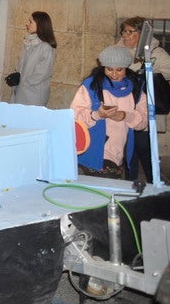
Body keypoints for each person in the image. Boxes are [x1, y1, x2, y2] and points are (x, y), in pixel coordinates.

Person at [71, 45, 147, 178]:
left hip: (120, 150)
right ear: (103, 67)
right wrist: (97, 115)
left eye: (119, 70)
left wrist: (125, 116)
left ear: (126, 68)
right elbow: (74, 117)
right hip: (95, 150)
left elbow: (143, 122)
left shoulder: (136, 88)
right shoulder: (91, 85)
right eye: (109, 69)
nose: (114, 74)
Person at [116, 16, 170, 182]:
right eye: (123, 31)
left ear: (142, 34)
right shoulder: (116, 51)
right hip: (123, 108)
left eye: (129, 32)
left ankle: (155, 185)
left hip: (144, 110)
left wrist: (152, 75)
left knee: (143, 149)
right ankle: (130, 185)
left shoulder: (155, 53)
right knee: (128, 151)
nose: (125, 35)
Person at [9, 11, 57, 106]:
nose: (27, 24)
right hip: (20, 93)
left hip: (33, 96)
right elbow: (22, 66)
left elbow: (41, 74)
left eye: (30, 22)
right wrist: (16, 76)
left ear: (40, 25)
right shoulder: (28, 43)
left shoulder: (46, 48)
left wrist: (22, 81)